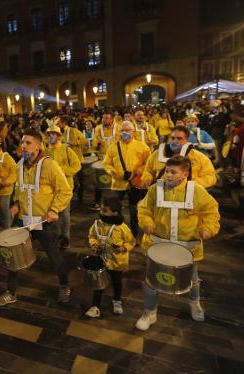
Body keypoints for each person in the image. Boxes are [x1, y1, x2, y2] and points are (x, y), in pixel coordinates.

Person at [135, 156, 220, 331]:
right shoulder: (154, 189)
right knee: (151, 280)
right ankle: (149, 312)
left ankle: (194, 303)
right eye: (166, 171)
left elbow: (211, 211)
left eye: (173, 172)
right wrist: (147, 223)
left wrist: (208, 228)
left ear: (185, 174)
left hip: (187, 247)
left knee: (193, 279)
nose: (168, 175)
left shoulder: (196, 190)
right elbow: (144, 209)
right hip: (158, 246)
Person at [0, 128, 73, 306]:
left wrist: (54, 209)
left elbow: (66, 191)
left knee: (55, 257)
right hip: (23, 220)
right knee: (13, 255)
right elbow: (19, 189)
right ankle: (11, 291)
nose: (23, 146)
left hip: (44, 222)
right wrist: (15, 204)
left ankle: (64, 285)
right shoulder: (19, 165)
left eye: (28, 143)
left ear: (38, 146)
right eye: (22, 142)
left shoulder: (50, 165)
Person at [85, 197, 135, 318]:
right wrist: (93, 243)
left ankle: (117, 300)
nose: (102, 212)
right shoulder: (97, 224)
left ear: (115, 212)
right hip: (101, 260)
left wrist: (123, 248)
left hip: (117, 261)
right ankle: (95, 306)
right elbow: (92, 235)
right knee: (99, 283)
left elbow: (132, 242)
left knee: (116, 282)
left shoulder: (122, 227)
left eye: (105, 210)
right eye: (102, 209)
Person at [102, 121, 151, 238]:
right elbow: (106, 163)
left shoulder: (142, 146)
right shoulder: (113, 146)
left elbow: (149, 164)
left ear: (133, 132)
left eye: (127, 130)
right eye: (122, 130)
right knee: (114, 209)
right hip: (118, 184)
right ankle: (114, 233)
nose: (124, 133)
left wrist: (138, 172)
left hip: (135, 183)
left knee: (134, 211)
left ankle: (135, 235)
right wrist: (112, 172)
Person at [141, 126, 217, 189]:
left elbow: (210, 177)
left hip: (187, 197)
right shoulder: (157, 154)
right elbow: (148, 170)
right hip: (160, 195)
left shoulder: (199, 157)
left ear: (187, 140)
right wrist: (148, 177)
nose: (175, 141)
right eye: (173, 138)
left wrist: (188, 183)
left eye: (179, 138)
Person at [45, 124, 81, 249]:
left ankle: (66, 237)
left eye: (53, 134)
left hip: (65, 188)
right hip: (51, 188)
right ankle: (59, 234)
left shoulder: (66, 150)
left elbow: (77, 165)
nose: (51, 136)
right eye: (49, 134)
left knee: (65, 213)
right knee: (55, 212)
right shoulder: (46, 151)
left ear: (59, 136)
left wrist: (61, 171)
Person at [91, 111, 120, 210]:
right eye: (103, 118)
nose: (104, 120)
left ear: (112, 119)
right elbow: (95, 143)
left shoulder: (119, 128)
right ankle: (97, 203)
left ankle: (115, 204)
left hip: (115, 160)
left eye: (107, 118)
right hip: (102, 159)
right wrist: (95, 145)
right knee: (99, 181)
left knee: (115, 182)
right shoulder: (98, 128)